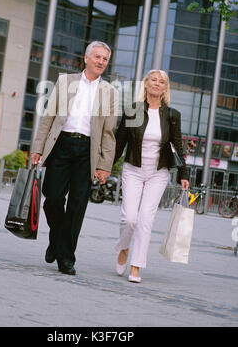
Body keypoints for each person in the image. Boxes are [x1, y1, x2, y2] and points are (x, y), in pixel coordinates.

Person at [31, 41, 118, 276]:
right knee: (52, 198)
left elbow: (109, 133)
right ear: (86, 58)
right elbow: (49, 117)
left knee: (78, 204)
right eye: (97, 57)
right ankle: (58, 238)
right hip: (61, 144)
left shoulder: (110, 92)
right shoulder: (66, 82)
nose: (101, 62)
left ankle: (66, 257)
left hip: (87, 151)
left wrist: (104, 165)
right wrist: (38, 148)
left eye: (105, 59)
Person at [114, 69, 189, 283]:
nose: (157, 84)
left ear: (165, 88)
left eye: (161, 82)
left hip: (158, 172)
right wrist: (105, 167)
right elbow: (120, 142)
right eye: (153, 80)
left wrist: (183, 174)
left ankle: (136, 266)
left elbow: (178, 146)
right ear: (146, 84)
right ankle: (123, 248)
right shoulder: (133, 111)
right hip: (133, 169)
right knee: (129, 218)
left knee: (146, 220)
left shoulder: (172, 115)